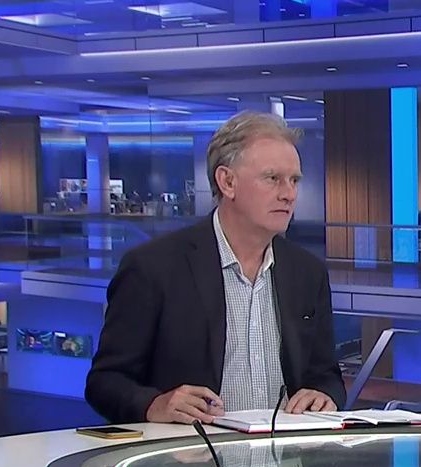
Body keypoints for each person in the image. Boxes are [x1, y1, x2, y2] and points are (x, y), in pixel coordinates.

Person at [86, 111, 343, 424]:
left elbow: (326, 375)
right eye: (273, 178)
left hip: (284, 453)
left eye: (294, 181)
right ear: (227, 182)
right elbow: (105, 382)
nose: (289, 194)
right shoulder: (152, 268)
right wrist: (154, 404)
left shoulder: (307, 273)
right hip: (193, 451)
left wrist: (324, 395)